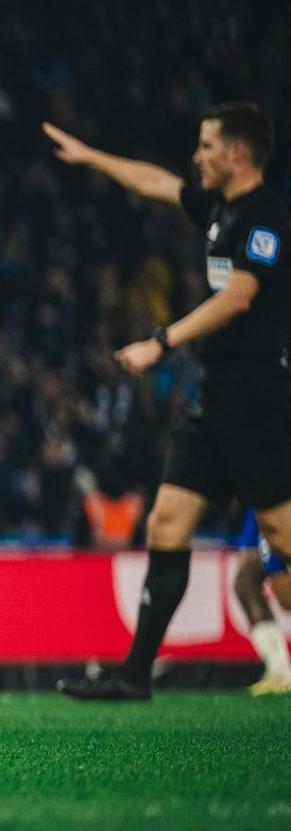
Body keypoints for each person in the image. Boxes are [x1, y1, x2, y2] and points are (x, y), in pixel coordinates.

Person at [43, 104, 291, 700]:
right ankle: (134, 676)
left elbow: (238, 299)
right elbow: (157, 183)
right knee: (167, 522)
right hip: (216, 394)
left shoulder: (264, 216)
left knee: (282, 539)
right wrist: (93, 158)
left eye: (206, 145)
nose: (196, 155)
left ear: (238, 154)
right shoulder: (221, 208)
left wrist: (162, 341)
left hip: (257, 393)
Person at [232, 510, 291, 695]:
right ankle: (279, 670)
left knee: (286, 597)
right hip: (257, 501)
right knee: (245, 581)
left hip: (277, 495)